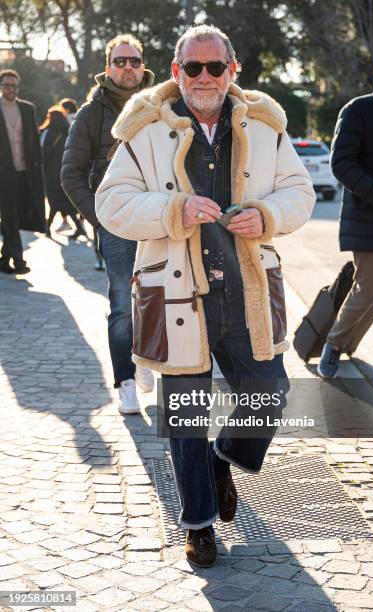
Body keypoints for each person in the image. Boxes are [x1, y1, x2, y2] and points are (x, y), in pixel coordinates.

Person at [95, 25, 315, 566]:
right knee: (186, 416)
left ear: (232, 71)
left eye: (215, 67)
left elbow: (300, 191)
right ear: (176, 72)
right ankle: (197, 524)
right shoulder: (144, 127)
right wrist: (172, 212)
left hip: (247, 292)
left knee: (270, 393)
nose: (204, 78)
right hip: (175, 294)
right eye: (192, 67)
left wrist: (265, 215)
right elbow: (111, 202)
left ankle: (224, 456)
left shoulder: (264, 124)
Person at [61, 34, 155, 412]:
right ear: (108, 68)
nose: (128, 68)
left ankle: (146, 357)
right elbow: (71, 174)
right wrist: (100, 219)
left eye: (134, 61)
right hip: (116, 224)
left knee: (160, 299)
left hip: (160, 218)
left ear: (143, 65)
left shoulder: (162, 103)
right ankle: (126, 379)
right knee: (121, 302)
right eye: (120, 62)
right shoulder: (90, 113)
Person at [318, 41, 373, 391]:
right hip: (372, 219)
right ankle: (334, 343)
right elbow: (341, 163)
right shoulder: (358, 110)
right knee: (366, 290)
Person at [0, 69, 45, 274]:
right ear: (1, 87)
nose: (11, 89)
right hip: (3, 174)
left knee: (14, 216)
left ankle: (4, 259)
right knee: (10, 215)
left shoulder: (27, 109)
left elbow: (34, 143)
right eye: (7, 85)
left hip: (24, 173)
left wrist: (38, 171)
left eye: (14, 86)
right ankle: (18, 260)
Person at [40, 105, 87, 239]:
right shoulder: (69, 131)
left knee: (55, 201)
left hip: (51, 173)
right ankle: (74, 228)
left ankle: (48, 228)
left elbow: (44, 152)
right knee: (63, 201)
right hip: (67, 171)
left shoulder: (48, 132)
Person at [56, 98, 79, 233]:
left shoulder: (66, 121)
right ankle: (80, 223)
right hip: (82, 161)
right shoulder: (81, 117)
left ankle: (66, 222)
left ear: (67, 109)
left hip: (67, 159)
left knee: (64, 192)